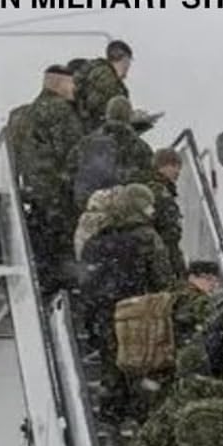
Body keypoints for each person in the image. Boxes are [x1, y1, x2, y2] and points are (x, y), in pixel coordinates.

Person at [80, 184, 171, 429]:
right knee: (143, 366)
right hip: (140, 313)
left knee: (113, 366)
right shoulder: (149, 238)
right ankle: (142, 421)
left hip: (107, 315)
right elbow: (162, 279)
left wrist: (93, 319)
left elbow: (87, 283)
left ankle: (111, 420)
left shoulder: (99, 238)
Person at [15, 64, 83, 294]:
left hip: (34, 193)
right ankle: (64, 288)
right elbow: (75, 152)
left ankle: (47, 285)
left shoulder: (25, 114)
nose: (75, 88)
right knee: (64, 248)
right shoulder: (61, 111)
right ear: (60, 83)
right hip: (58, 192)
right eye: (72, 83)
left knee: (45, 245)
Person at [75, 39, 133, 132]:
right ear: (125, 59)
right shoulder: (106, 76)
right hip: (97, 130)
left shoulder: (99, 71)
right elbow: (112, 110)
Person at [147, 148, 186, 279]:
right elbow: (168, 233)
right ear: (162, 166)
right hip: (162, 256)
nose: (177, 172)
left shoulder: (153, 189)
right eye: (174, 166)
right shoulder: (159, 192)